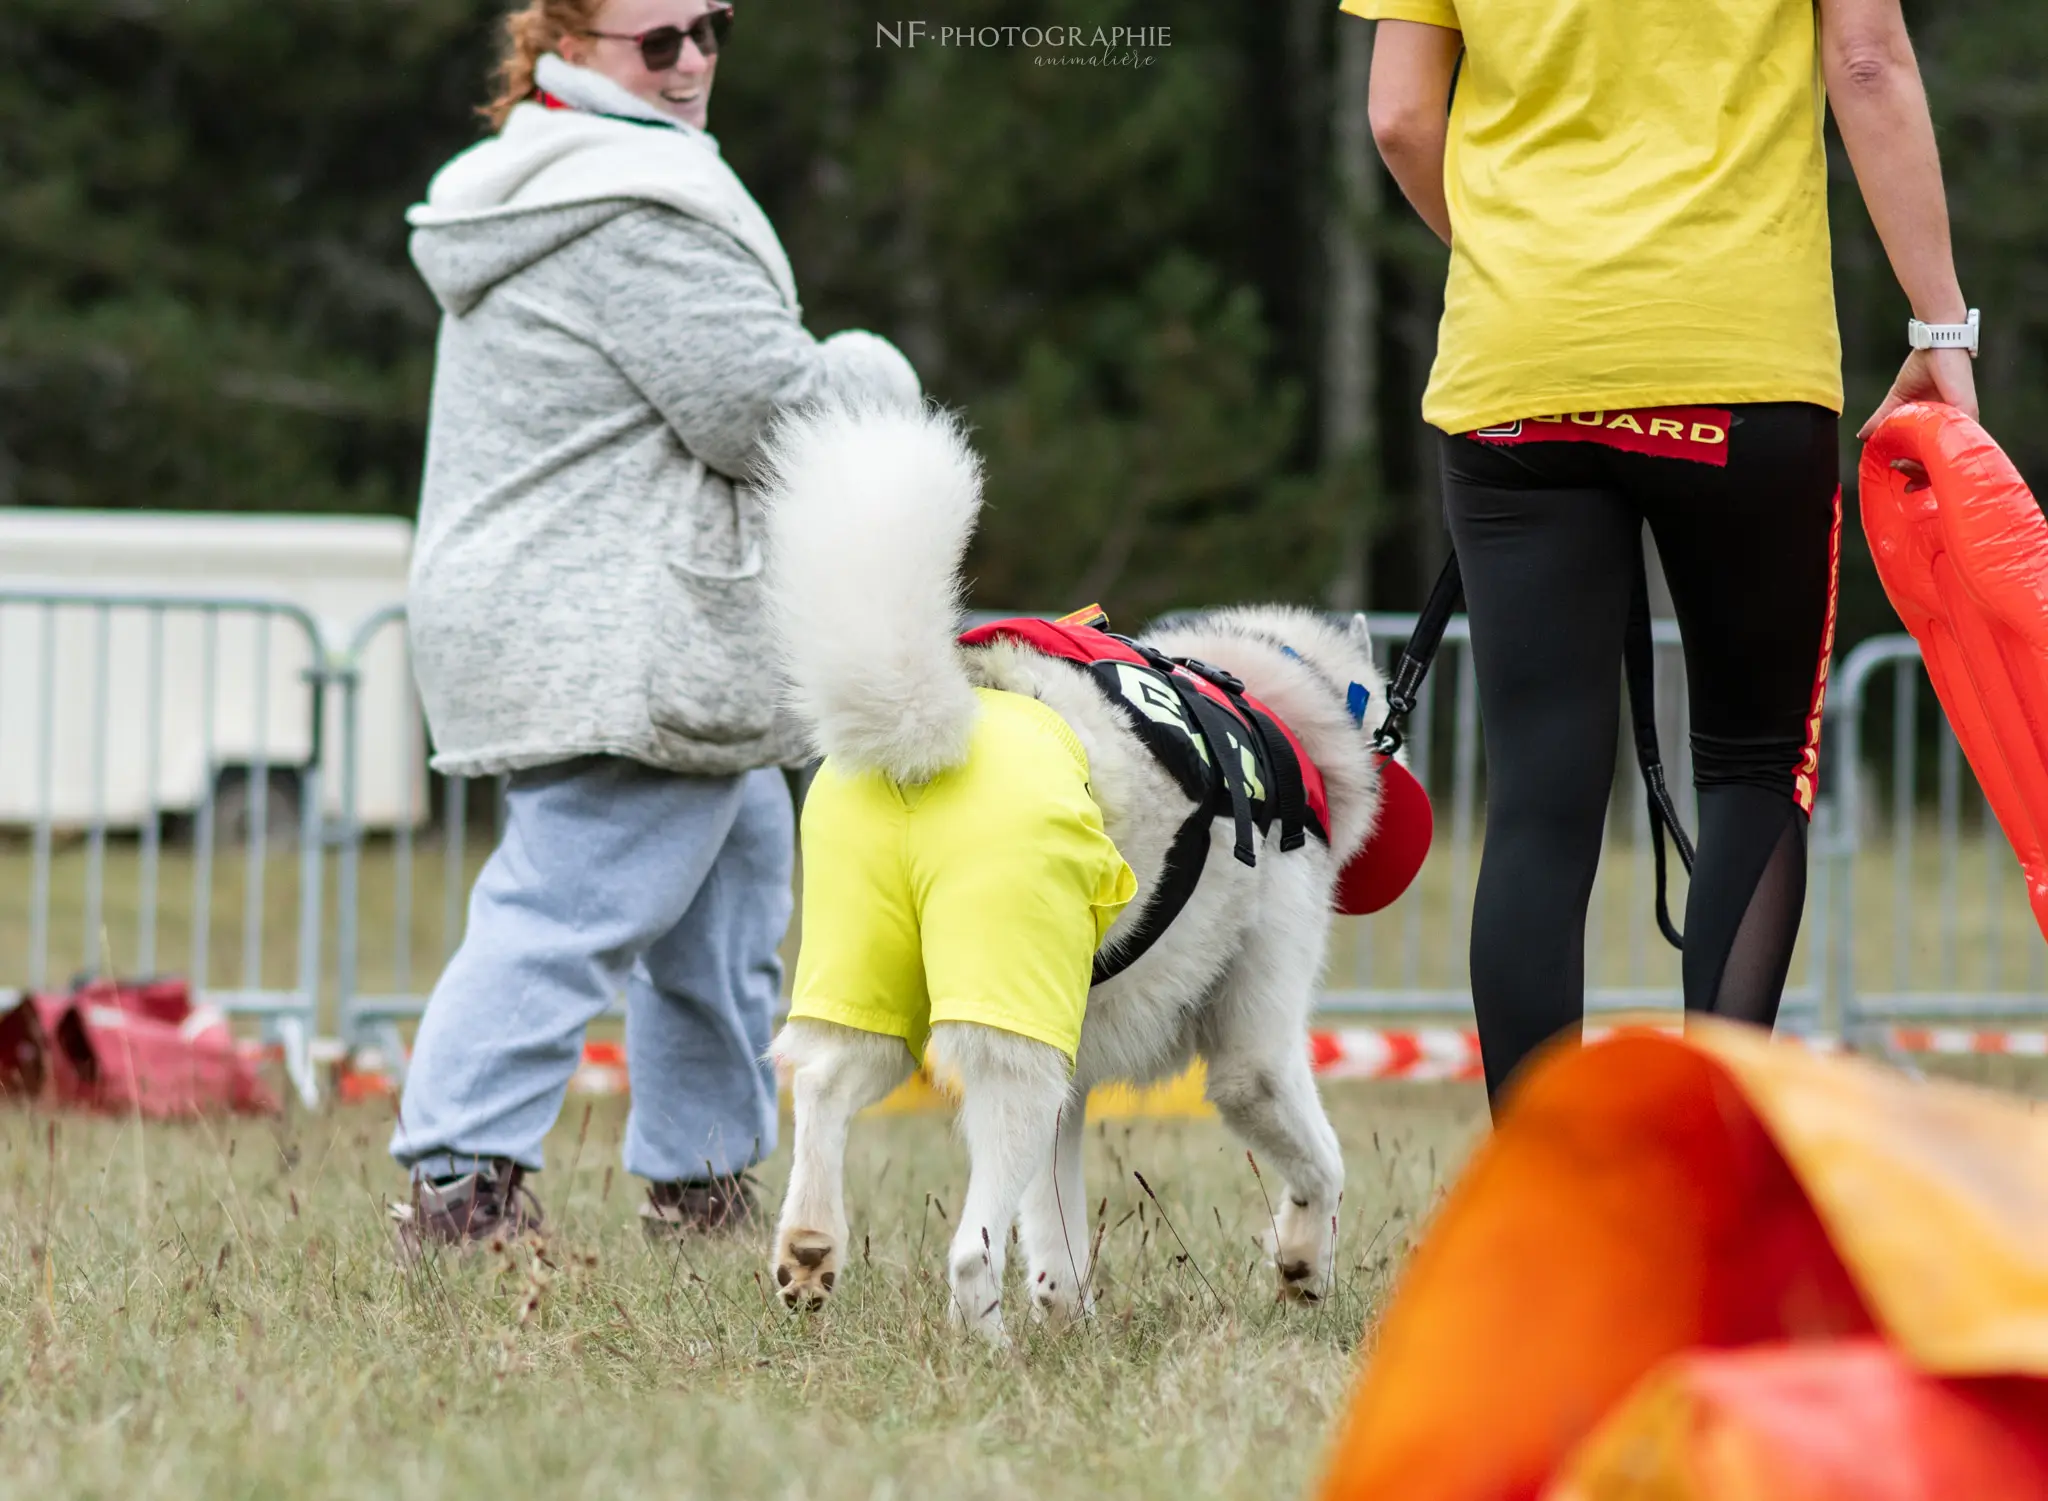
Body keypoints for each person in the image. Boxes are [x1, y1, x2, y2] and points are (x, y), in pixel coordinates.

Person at [1350, 0, 1978, 1106]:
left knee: (1539, 799)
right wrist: (1937, 330)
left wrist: (1526, 271)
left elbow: (1400, 116)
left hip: (1521, 366)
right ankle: (1711, 1174)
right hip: (1739, 364)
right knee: (1747, 765)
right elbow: (1867, 62)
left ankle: (1546, 1211)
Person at [389, 0, 923, 1246]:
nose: (692, 63)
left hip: (605, 618)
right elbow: (767, 411)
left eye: (711, 29)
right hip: (617, 632)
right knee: (570, 904)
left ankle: (703, 1181)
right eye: (658, 41)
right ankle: (460, 1188)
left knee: (729, 899)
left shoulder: (564, 180)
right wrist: (876, 369)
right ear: (566, 48)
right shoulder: (629, 207)